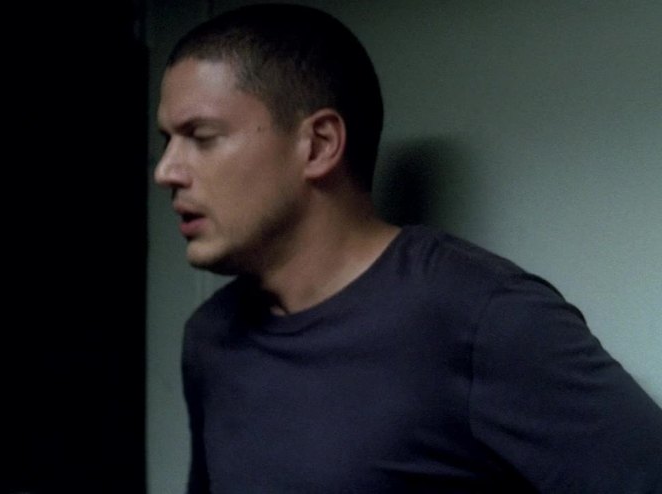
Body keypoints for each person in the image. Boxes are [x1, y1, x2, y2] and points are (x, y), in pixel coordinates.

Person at [153, 4, 662, 493]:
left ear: (319, 144)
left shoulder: (481, 317)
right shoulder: (209, 337)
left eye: (202, 136)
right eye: (167, 140)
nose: (166, 171)